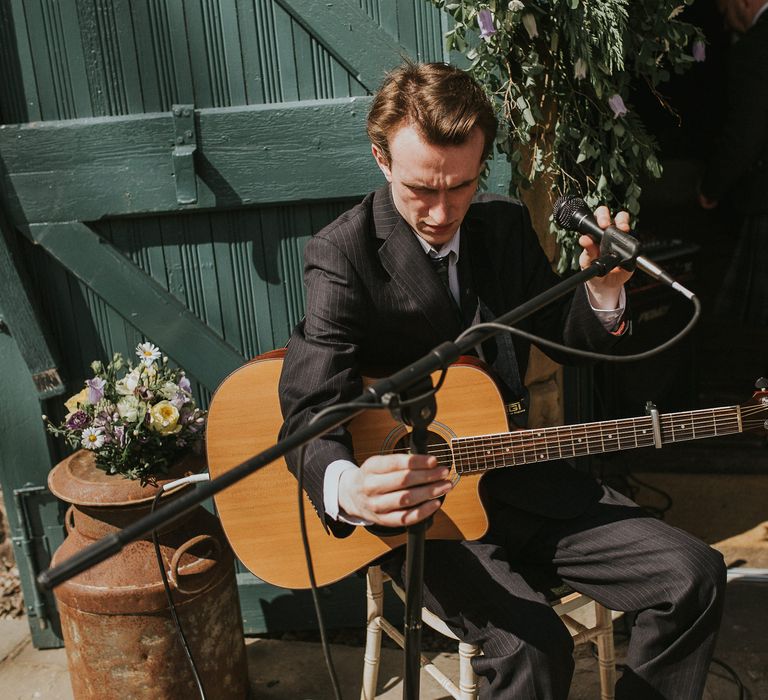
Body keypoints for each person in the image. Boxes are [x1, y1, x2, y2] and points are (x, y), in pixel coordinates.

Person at [280, 62, 726, 699]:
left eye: (460, 187)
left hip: (518, 478)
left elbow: (562, 337)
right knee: (533, 649)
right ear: (381, 157)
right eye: (421, 190)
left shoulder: (503, 225)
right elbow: (307, 408)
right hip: (425, 518)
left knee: (696, 573)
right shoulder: (343, 253)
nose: (441, 212)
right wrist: (350, 488)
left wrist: (599, 293)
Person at [698, 0, 768, 324]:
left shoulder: (754, 48)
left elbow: (746, 132)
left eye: (725, 10)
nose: (725, 23)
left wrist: (712, 186)